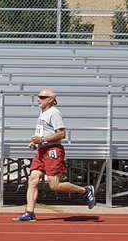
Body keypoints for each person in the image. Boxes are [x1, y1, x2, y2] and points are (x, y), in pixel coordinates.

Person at [15, 89, 96, 221]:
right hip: (42, 150)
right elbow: (44, 133)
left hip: (53, 150)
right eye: (38, 96)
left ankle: (85, 191)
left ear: (51, 100)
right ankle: (29, 213)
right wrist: (35, 143)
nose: (38, 99)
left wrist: (41, 140)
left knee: (54, 186)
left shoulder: (54, 113)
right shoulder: (43, 113)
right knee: (33, 180)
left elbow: (61, 134)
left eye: (42, 97)